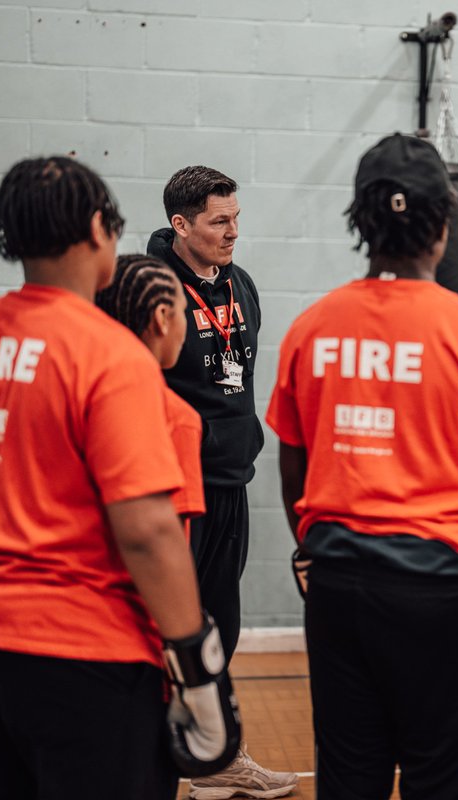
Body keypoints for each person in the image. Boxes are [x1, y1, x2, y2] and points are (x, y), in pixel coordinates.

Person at [0, 156, 240, 799]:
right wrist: (198, 669)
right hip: (82, 652)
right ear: (98, 228)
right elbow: (147, 530)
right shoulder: (110, 352)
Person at [266, 132, 458, 800]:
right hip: (445, 592)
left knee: (348, 780)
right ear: (445, 225)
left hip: (339, 586)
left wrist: (312, 549)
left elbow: (293, 467)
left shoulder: (312, 328)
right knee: (442, 784)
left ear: (361, 220)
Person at [146, 166, 297, 799]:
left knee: (220, 626)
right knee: (166, 632)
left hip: (231, 481)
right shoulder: (151, 290)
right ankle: (149, 763)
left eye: (236, 219)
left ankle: (214, 762)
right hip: (175, 490)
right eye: (219, 221)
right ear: (181, 225)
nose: (233, 232)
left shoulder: (242, 284)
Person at [95, 254, 205, 540]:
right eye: (183, 312)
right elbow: (167, 540)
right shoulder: (175, 417)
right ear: (162, 318)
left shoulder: (82, 397)